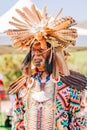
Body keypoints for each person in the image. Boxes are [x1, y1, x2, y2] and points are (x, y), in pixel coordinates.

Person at [7, 3, 87, 130]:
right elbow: (18, 121)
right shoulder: (23, 87)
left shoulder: (71, 87)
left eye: (42, 50)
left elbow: (81, 122)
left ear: (53, 52)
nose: (37, 55)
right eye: (34, 50)